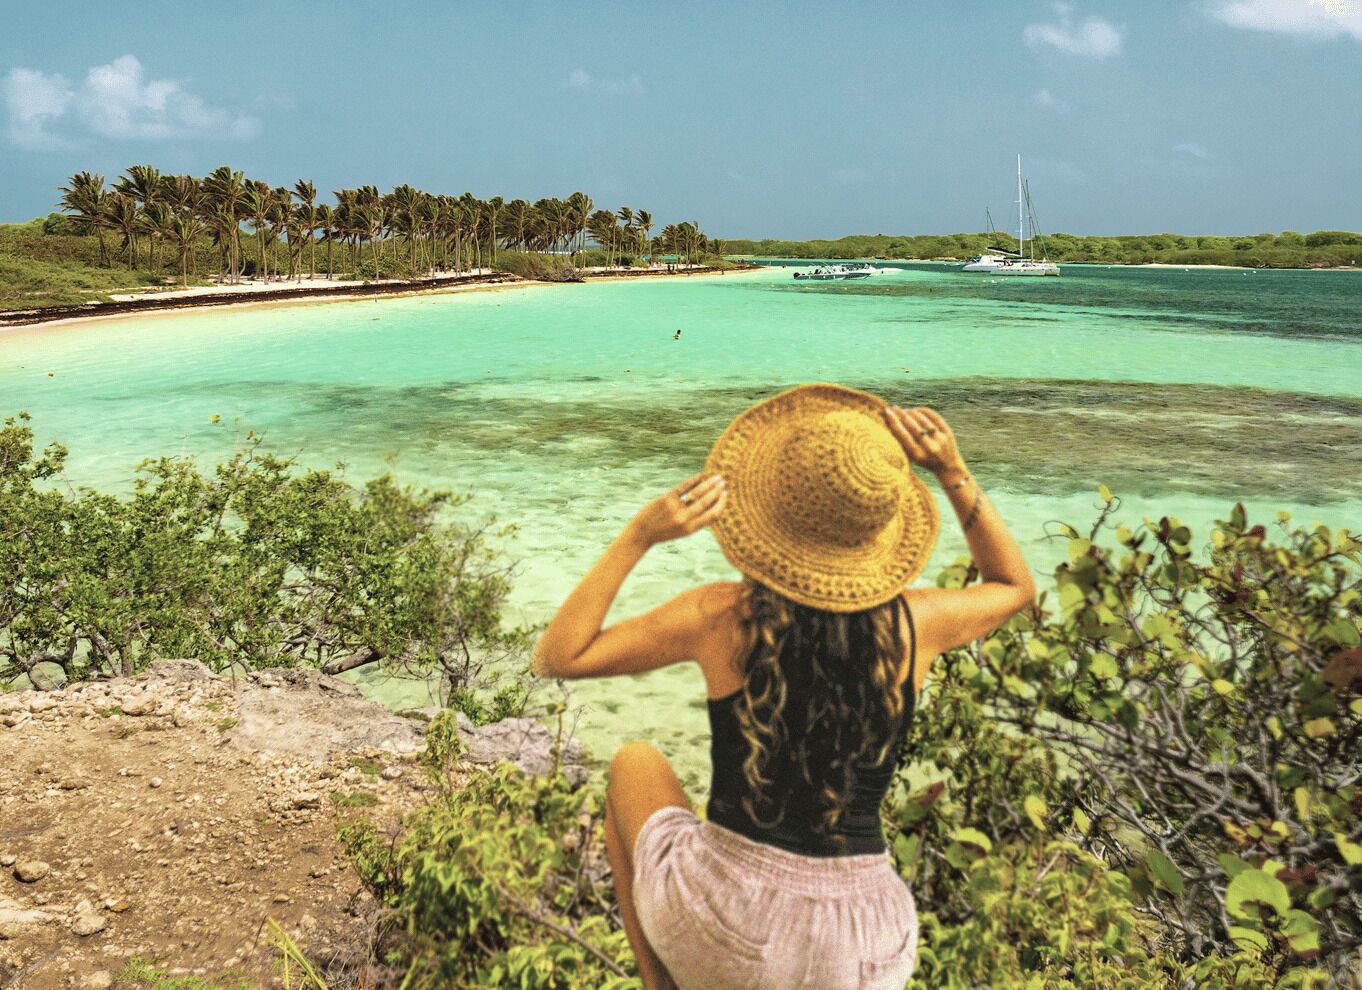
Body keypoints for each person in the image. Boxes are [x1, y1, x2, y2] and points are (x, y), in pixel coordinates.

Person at [534, 383, 1035, 989]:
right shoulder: (918, 623)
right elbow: (1014, 585)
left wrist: (639, 535)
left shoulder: (723, 616)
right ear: (879, 529)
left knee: (635, 764)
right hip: (865, 949)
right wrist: (953, 470)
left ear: (769, 514)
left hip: (723, 927)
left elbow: (560, 655)